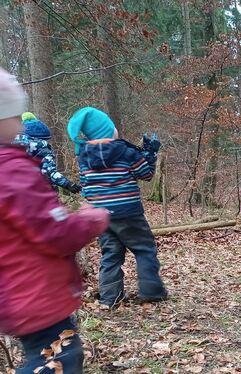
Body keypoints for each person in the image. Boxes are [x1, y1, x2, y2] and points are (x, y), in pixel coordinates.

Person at [0, 67, 109, 374]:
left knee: (59, 352)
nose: (19, 121)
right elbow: (54, 231)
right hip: (34, 294)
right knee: (58, 359)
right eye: (13, 115)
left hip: (16, 291)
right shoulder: (12, 172)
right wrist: (91, 218)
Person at [67, 107, 168, 308]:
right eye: (111, 125)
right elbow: (145, 174)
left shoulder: (84, 157)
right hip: (128, 212)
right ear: (107, 130)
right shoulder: (126, 151)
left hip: (101, 216)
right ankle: (152, 290)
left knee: (111, 254)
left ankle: (109, 297)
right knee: (144, 248)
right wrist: (150, 153)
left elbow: (85, 187)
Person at [14, 112, 81, 193]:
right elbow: (48, 171)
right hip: (38, 192)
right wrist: (68, 184)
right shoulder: (42, 146)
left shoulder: (9, 144)